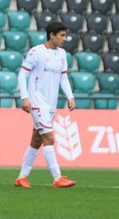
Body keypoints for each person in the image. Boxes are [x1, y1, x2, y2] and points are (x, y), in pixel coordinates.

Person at [14, 21, 77, 189]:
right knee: (49, 138)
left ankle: (22, 177)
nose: (65, 38)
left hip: (51, 104)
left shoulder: (62, 54)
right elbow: (22, 74)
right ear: (52, 35)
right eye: (62, 35)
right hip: (36, 101)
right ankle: (57, 177)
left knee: (36, 140)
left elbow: (63, 77)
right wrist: (24, 97)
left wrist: (70, 96)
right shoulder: (36, 52)